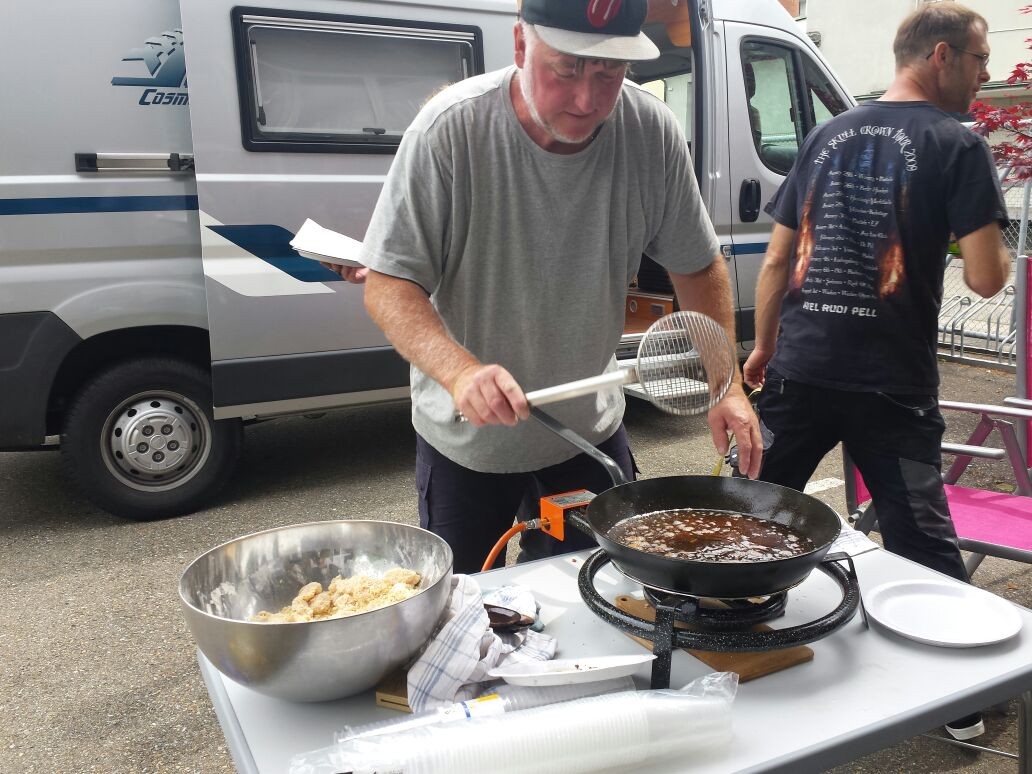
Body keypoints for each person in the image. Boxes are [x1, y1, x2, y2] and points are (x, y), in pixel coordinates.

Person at [347, 0, 761, 575]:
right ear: (521, 45)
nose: (587, 100)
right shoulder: (449, 130)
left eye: (608, 73)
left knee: (604, 592)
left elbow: (698, 267)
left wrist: (726, 383)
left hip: (587, 433)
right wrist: (461, 370)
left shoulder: (650, 132)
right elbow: (389, 285)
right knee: (463, 605)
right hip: (469, 443)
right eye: (566, 69)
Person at [742, 3, 1010, 741]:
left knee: (754, 517)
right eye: (982, 59)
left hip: (799, 365)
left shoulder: (826, 134)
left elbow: (775, 260)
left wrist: (763, 349)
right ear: (943, 56)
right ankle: (959, 707)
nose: (988, 74)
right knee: (920, 541)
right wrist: (999, 241)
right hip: (891, 382)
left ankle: (720, 651)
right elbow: (987, 280)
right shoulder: (957, 143)